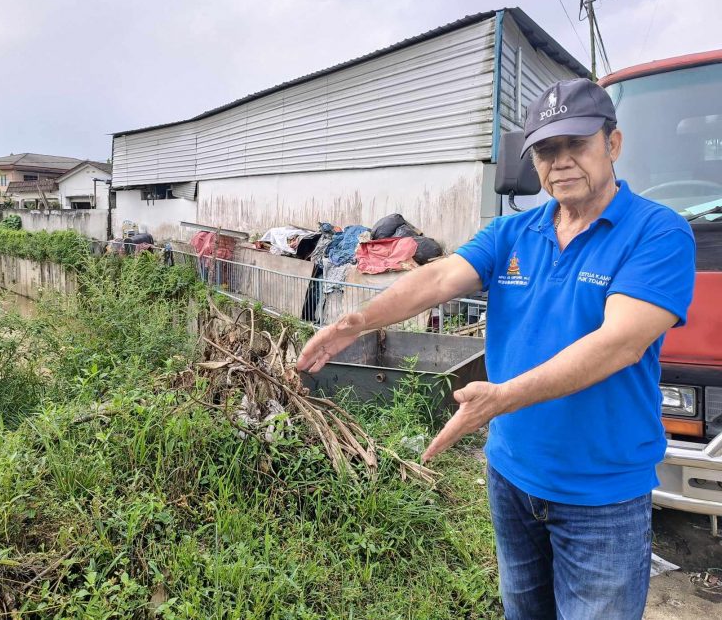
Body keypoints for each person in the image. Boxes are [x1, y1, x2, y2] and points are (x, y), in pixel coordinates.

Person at [297, 78, 696, 619]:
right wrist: (355, 321)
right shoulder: (512, 231)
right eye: (546, 151)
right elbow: (437, 279)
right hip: (511, 476)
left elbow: (619, 343)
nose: (560, 163)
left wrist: (504, 397)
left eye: (576, 144)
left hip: (601, 493)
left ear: (613, 145)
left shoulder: (658, 233)